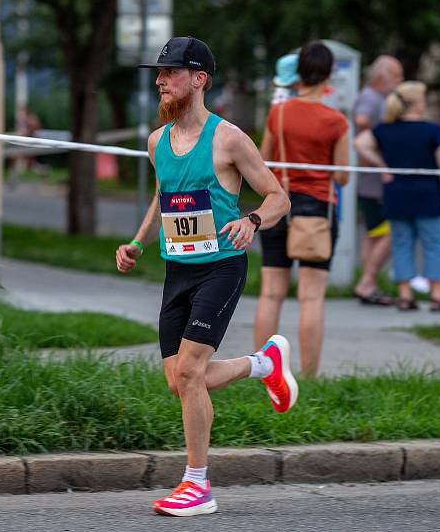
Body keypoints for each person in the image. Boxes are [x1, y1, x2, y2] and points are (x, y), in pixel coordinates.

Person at [115, 36, 295, 517]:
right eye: (159, 73)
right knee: (179, 381)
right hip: (179, 272)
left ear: (199, 80)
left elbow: (278, 197)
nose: (160, 80)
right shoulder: (158, 142)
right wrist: (136, 243)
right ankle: (264, 365)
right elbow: (163, 198)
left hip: (221, 266)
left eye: (170, 72)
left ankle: (197, 485)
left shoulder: (230, 139)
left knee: (192, 373)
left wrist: (252, 220)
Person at [254, 41, 350, 378]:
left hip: (278, 207)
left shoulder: (277, 114)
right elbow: (342, 176)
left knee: (271, 293)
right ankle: (309, 376)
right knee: (311, 298)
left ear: (298, 73)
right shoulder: (336, 121)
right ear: (328, 74)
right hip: (318, 211)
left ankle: (263, 372)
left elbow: (262, 162)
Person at [354, 81, 440, 312]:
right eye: (423, 98)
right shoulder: (433, 130)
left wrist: (382, 165)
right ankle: (438, 294)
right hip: (428, 195)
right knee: (434, 243)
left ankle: (405, 294)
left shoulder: (386, 128)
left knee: (402, 244)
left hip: (396, 194)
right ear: (416, 103)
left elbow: (360, 143)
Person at [352, 55, 404, 305]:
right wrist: (383, 136)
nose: (400, 82)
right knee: (389, 232)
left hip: (372, 181)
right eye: (397, 76)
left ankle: (368, 283)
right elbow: (361, 121)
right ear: (382, 77)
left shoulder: (376, 98)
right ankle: (367, 281)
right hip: (373, 182)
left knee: (375, 233)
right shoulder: (371, 98)